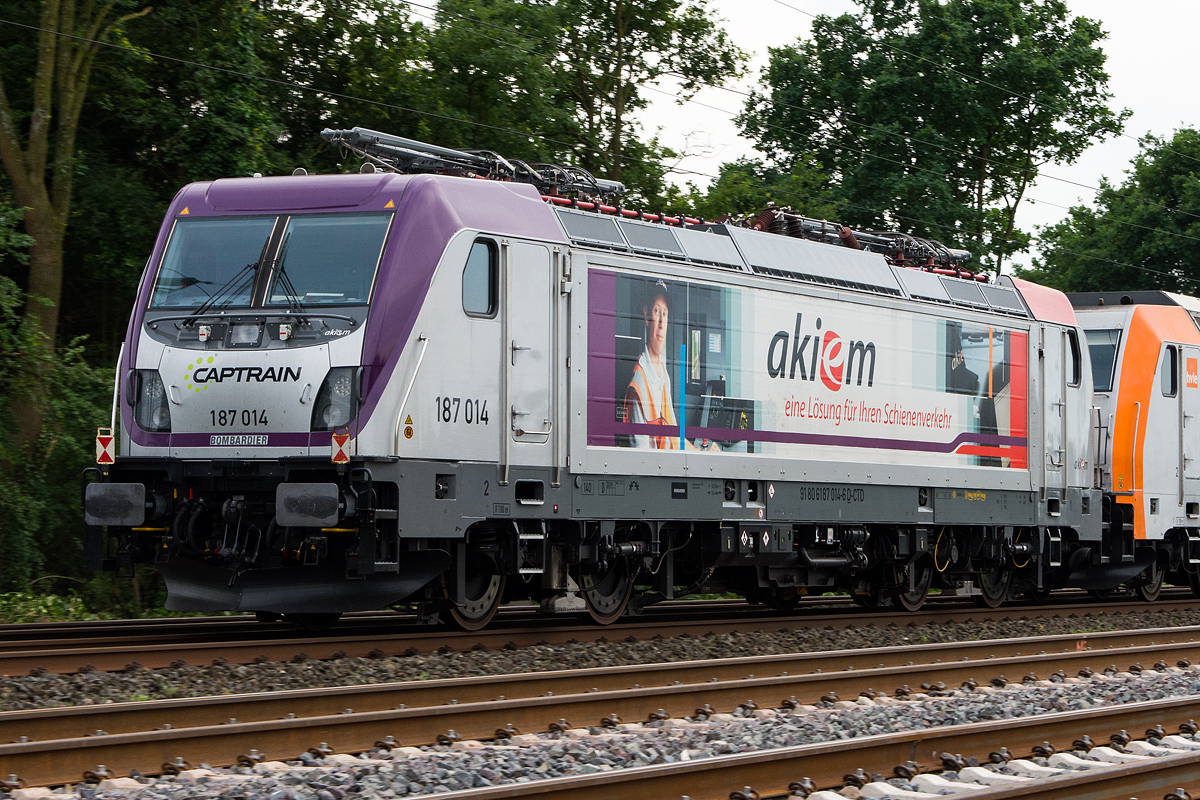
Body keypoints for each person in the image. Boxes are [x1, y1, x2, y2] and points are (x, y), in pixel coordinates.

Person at [623, 280, 714, 450]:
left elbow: (672, 435)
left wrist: (701, 453)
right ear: (646, 314)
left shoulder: (663, 374)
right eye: (656, 311)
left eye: (664, 314)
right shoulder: (639, 383)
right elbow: (641, 457)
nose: (661, 323)